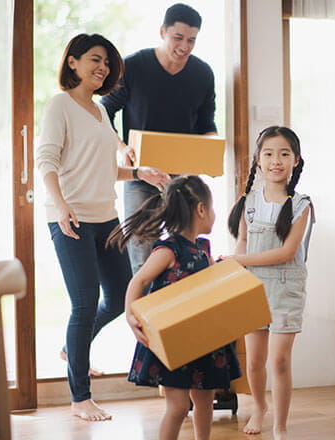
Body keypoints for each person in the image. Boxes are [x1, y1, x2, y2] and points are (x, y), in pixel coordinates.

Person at [36, 33, 171, 422]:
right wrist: (59, 205)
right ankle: (80, 397)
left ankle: (70, 347)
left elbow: (103, 167)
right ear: (73, 62)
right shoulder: (60, 105)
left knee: (118, 297)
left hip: (105, 218)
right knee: (83, 302)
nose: (103, 68)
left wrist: (138, 172)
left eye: (108, 63)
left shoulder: (99, 111)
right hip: (72, 218)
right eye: (95, 59)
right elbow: (47, 160)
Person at [107, 175, 241, 440]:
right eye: (212, 208)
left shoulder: (203, 250)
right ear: (201, 209)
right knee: (178, 407)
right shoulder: (168, 250)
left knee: (205, 402)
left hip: (204, 340)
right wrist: (130, 315)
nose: (214, 214)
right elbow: (140, 279)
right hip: (175, 342)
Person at [101, 3, 217, 276]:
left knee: (186, 255)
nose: (185, 46)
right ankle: (143, 315)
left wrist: (209, 153)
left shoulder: (203, 74)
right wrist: (122, 148)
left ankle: (176, 316)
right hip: (143, 176)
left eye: (192, 40)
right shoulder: (133, 66)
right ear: (162, 31)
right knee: (143, 255)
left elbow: (206, 125)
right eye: (178, 38)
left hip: (185, 179)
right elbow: (104, 112)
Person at [223, 126, 314, 440]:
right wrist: (237, 264)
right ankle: (259, 407)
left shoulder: (302, 204)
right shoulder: (249, 201)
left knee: (279, 361)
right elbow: (243, 242)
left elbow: (287, 252)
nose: (277, 160)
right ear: (258, 161)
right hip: (254, 288)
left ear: (296, 160)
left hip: (286, 288)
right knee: (255, 362)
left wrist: (240, 261)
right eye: (269, 153)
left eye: (285, 154)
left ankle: (281, 425)